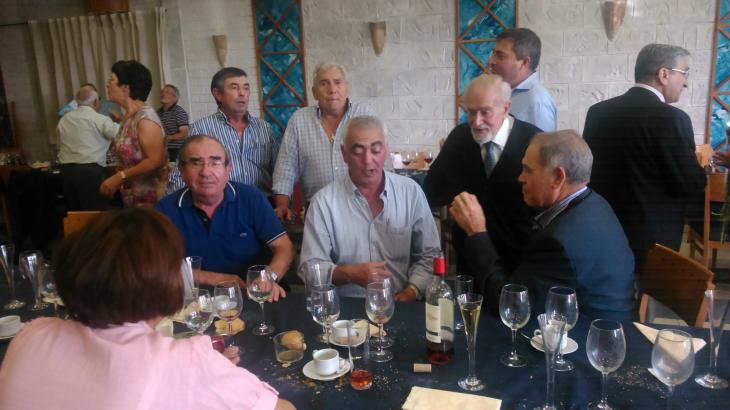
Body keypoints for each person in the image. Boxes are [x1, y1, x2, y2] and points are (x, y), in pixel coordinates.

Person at [0, 207, 295, 410]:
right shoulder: (186, 361)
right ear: (166, 280)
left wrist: (200, 377)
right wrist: (203, 373)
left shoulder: (31, 335)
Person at [450, 130, 635, 320]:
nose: (520, 178)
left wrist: (476, 232)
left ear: (558, 177)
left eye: (527, 170)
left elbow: (510, 307)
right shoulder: (596, 203)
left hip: (588, 332)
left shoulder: (558, 242)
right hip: (615, 319)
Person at [583, 43, 706, 273]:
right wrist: (703, 171)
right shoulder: (672, 119)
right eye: (685, 73)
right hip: (652, 240)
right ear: (664, 74)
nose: (686, 82)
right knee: (646, 296)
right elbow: (690, 183)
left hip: (602, 228)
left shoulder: (597, 112)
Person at [300, 116, 441, 300]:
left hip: (400, 302)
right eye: (358, 151)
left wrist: (411, 292)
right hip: (344, 308)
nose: (368, 160)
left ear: (385, 150)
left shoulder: (410, 192)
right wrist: (348, 274)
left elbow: (430, 255)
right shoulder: (324, 203)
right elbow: (309, 269)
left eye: (375, 150)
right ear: (344, 153)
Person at [424, 74, 541, 274]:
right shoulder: (459, 138)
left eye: (485, 112)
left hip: (519, 261)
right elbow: (431, 189)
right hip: (469, 261)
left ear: (506, 108)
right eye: (471, 112)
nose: (477, 122)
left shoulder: (534, 141)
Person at [156, 135, 294, 300]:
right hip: (195, 300)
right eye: (196, 163)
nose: (206, 172)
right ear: (181, 171)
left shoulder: (250, 198)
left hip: (253, 295)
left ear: (228, 169)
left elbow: (284, 247)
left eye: (215, 162)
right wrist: (214, 279)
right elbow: (155, 267)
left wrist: (269, 278)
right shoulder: (165, 210)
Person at [271, 62, 375, 223]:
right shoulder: (299, 120)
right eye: (324, 83)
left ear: (347, 88)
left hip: (362, 209)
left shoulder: (365, 116)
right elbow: (285, 168)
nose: (332, 89)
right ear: (314, 92)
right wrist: (282, 205)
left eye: (338, 82)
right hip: (317, 213)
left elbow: (382, 164)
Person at [168, 67, 278, 196]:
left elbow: (279, 172)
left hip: (262, 201)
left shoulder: (264, 128)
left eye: (246, 88)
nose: (242, 93)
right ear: (218, 94)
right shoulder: (201, 129)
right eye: (234, 87)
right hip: (220, 203)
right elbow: (181, 174)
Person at [99, 60, 168, 206]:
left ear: (125, 88)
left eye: (112, 80)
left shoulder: (145, 118)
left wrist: (121, 176)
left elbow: (156, 160)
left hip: (151, 200)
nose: (107, 85)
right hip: (133, 198)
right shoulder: (128, 117)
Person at [57, 85, 119, 211]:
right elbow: (121, 135)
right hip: (89, 171)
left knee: (74, 211)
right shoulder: (100, 119)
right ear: (96, 102)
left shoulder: (64, 119)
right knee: (94, 211)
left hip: (66, 170)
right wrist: (119, 120)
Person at [488, 28, 557, 132]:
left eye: (500, 56)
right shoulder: (504, 91)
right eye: (493, 53)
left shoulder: (537, 104)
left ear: (524, 62)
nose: (491, 61)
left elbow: (543, 143)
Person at [158, 84, 190, 162]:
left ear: (175, 98)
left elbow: (184, 133)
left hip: (177, 150)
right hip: (162, 149)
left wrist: (168, 138)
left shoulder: (179, 111)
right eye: (162, 92)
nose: (163, 94)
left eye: (167, 92)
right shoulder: (158, 112)